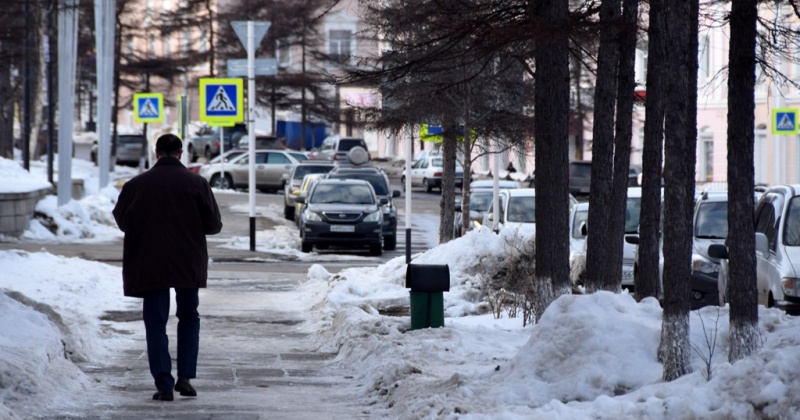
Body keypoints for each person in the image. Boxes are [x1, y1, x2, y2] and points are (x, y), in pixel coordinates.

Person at [113, 134, 223, 402]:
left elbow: (122, 220)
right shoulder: (197, 183)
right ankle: (185, 377)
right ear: (180, 154)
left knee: (155, 322)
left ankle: (163, 384)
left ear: (156, 153)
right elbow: (213, 225)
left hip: (150, 263)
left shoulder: (136, 185)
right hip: (188, 261)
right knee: (188, 317)